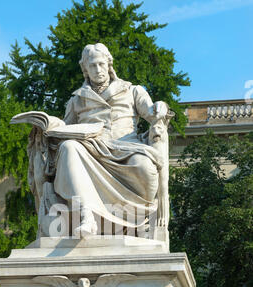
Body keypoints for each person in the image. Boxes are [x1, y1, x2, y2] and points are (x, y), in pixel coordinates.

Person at [44, 43, 172, 238]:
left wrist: (161, 106)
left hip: (126, 146)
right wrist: (49, 128)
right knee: (69, 147)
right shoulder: (76, 100)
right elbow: (65, 128)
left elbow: (152, 112)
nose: (98, 70)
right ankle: (87, 215)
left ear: (109, 65)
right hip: (90, 149)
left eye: (101, 64)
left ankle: (136, 219)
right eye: (92, 66)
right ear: (85, 69)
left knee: (144, 166)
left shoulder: (132, 90)